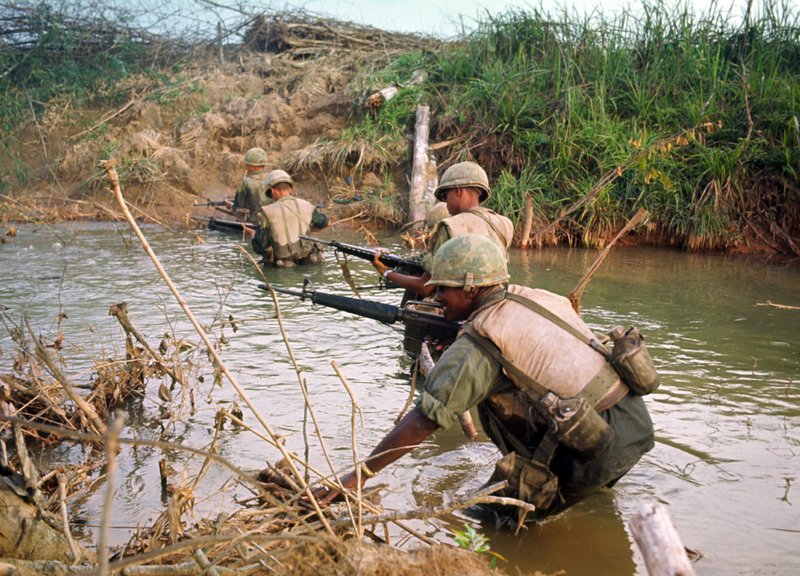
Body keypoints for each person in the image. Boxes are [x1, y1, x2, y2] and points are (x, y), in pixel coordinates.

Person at [316, 234, 654, 519]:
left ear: (470, 289)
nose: (435, 297)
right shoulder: (537, 298)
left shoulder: (482, 341)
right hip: (633, 423)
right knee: (586, 507)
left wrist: (354, 478)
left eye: (443, 290)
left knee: (482, 518)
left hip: (596, 448)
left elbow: (425, 420)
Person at [371, 161, 513, 298]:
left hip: (460, 308)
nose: (445, 203)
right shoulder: (505, 224)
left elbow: (425, 287)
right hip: (493, 301)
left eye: (445, 197)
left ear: (458, 191)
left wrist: (386, 273)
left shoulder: (450, 226)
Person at [244, 169, 328, 267]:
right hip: (308, 262)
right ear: (290, 188)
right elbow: (324, 222)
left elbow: (262, 246)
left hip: (283, 267)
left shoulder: (267, 212)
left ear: (272, 190)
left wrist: (253, 234)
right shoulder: (307, 206)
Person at [228, 147, 271, 222]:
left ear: (253, 166)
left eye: (247, 164)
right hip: (272, 221)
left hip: (253, 222)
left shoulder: (245, 182)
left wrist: (231, 206)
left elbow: (239, 209)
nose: (245, 166)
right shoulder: (272, 178)